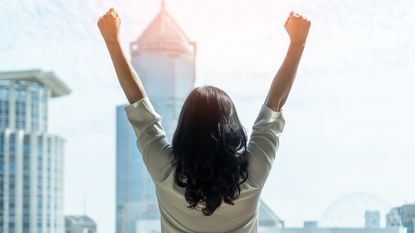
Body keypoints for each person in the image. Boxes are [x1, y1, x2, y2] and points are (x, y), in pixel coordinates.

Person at [98, 8, 310, 233]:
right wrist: (298, 44)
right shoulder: (251, 174)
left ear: (184, 129)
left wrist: (112, 41)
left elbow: (138, 103)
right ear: (232, 128)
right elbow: (274, 104)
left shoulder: (166, 173)